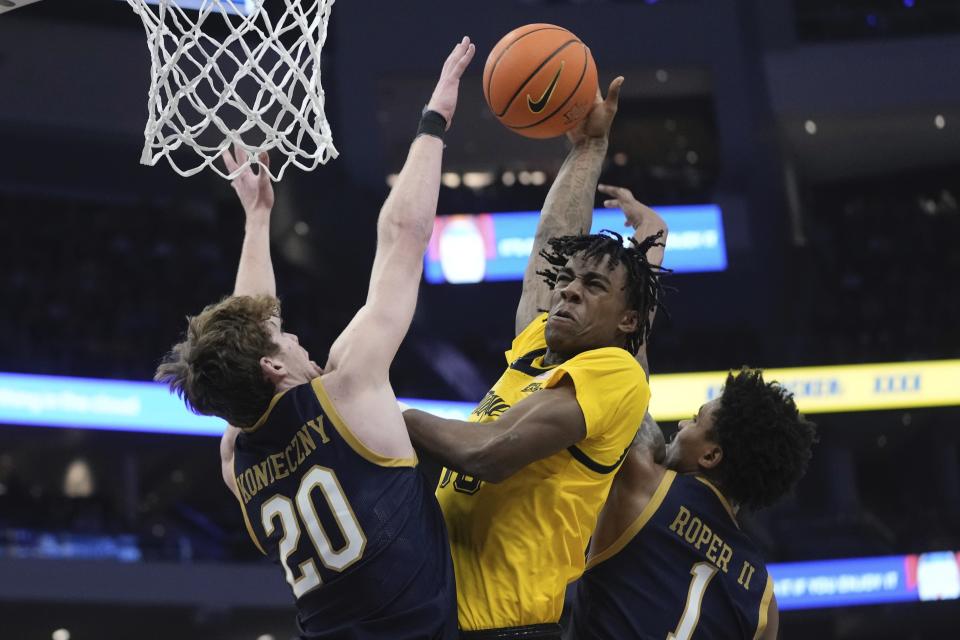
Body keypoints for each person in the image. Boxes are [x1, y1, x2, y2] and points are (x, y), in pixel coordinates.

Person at [154, 38, 476, 640]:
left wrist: (257, 219)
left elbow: (252, 321)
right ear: (274, 369)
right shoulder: (346, 388)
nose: (295, 335)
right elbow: (403, 239)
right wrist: (433, 123)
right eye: (283, 338)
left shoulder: (237, 460)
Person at [401, 77, 667, 640]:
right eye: (569, 283)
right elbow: (551, 249)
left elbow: (491, 453)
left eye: (592, 286)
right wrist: (588, 150)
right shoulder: (540, 350)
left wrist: (391, 420)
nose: (568, 291)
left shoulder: (614, 372)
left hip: (510, 630)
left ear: (627, 322)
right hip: (449, 617)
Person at [563, 189, 818, 640]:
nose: (681, 425)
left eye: (696, 422)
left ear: (710, 457)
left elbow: (625, 363)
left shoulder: (646, 483)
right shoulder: (763, 600)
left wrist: (652, 242)